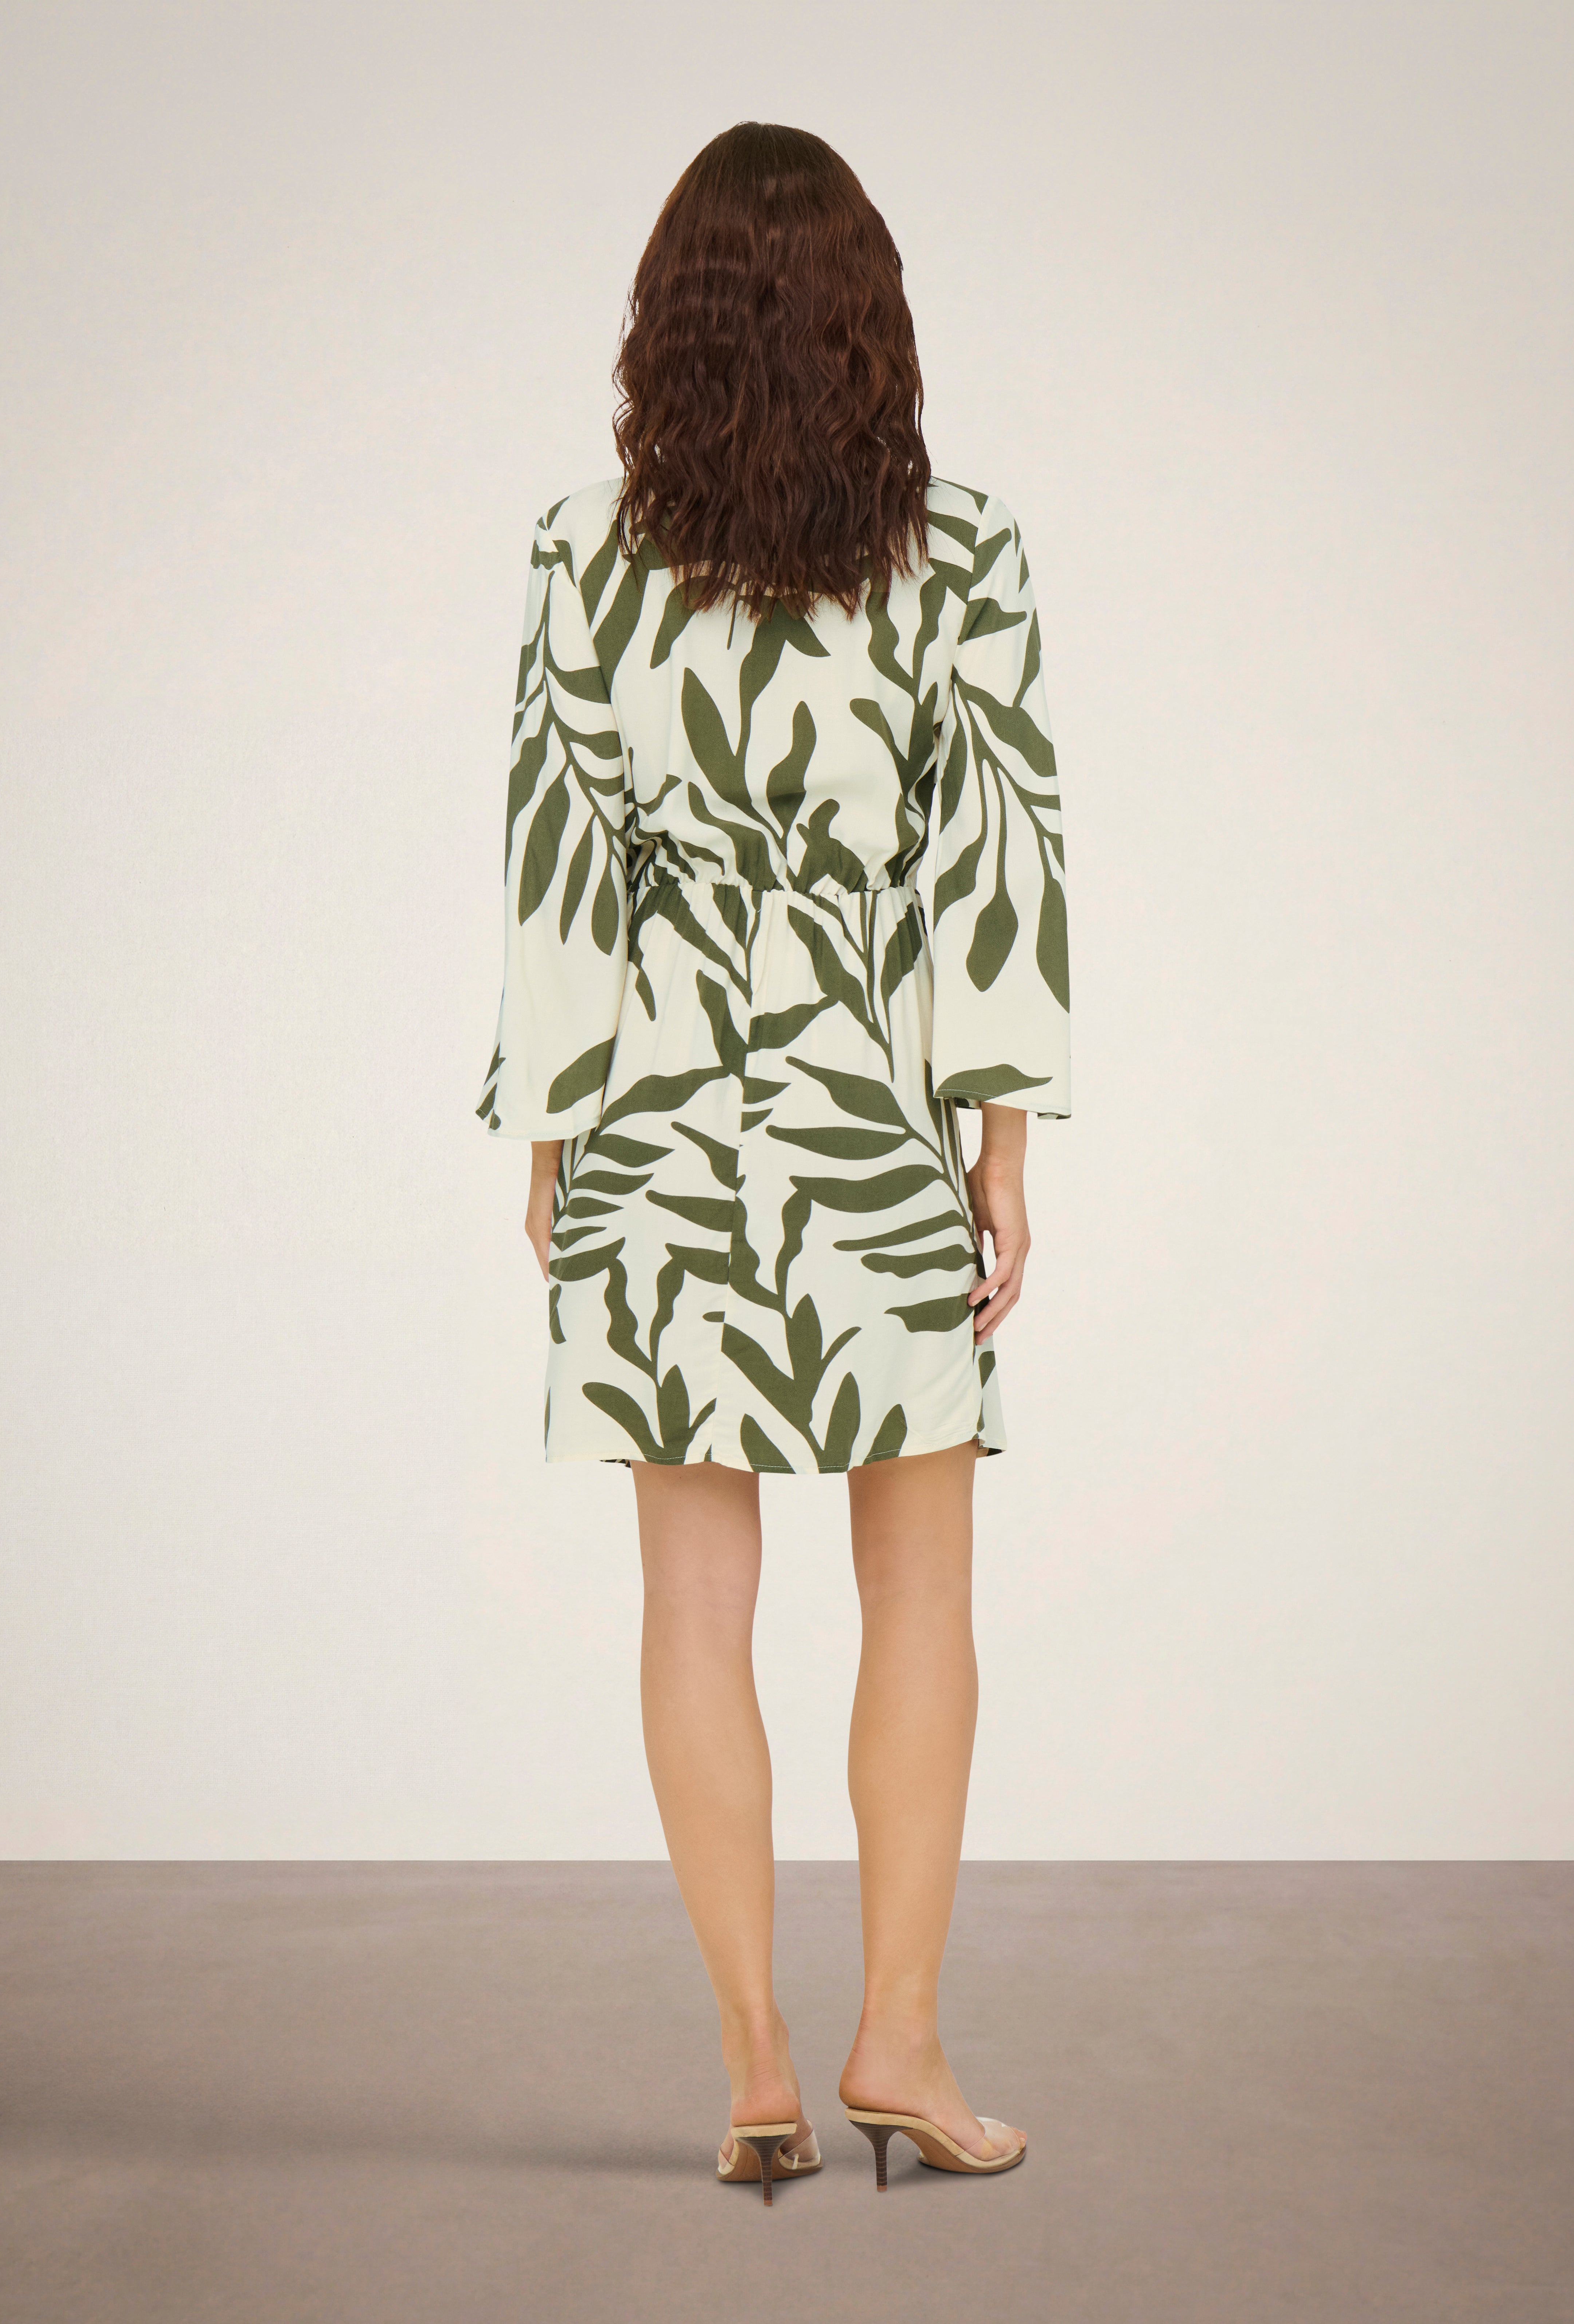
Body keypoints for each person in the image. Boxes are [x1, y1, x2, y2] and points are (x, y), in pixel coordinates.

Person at [480, 121, 1070, 2202]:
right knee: (922, 1590)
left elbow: (558, 862)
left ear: (671, 324)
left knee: (691, 1604)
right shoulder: (963, 554)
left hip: (659, 1128)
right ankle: (897, 2038)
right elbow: (1000, 857)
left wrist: (553, 1127)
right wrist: (1005, 1142)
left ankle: (754, 2067)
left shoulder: (583, 554)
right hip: (873, 1122)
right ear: (870, 327)